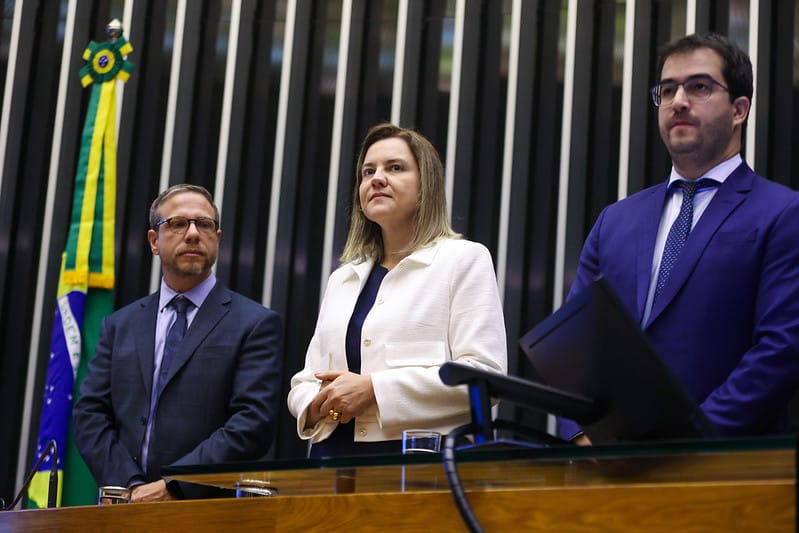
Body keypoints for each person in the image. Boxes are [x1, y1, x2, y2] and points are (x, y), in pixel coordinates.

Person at [563, 32, 799, 443]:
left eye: (700, 87)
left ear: (739, 110)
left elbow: (781, 349)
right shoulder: (615, 221)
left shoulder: (783, 213)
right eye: (668, 89)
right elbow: (574, 342)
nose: (679, 101)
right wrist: (582, 433)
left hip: (724, 463)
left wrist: (687, 439)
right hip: (606, 464)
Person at [287, 123, 507, 456]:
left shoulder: (463, 260)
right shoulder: (342, 279)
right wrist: (319, 404)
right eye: (368, 171)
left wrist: (374, 389)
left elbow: (485, 378)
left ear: (425, 186)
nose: (376, 178)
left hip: (420, 458)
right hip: (332, 457)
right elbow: (305, 380)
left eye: (394, 168)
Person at [73, 184, 283, 501]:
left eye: (205, 224)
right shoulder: (119, 326)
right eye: (178, 223)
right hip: (125, 506)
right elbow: (90, 415)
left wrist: (174, 486)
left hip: (206, 509)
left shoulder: (255, 324)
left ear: (218, 238)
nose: (193, 234)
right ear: (153, 241)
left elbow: (252, 423)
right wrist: (131, 486)